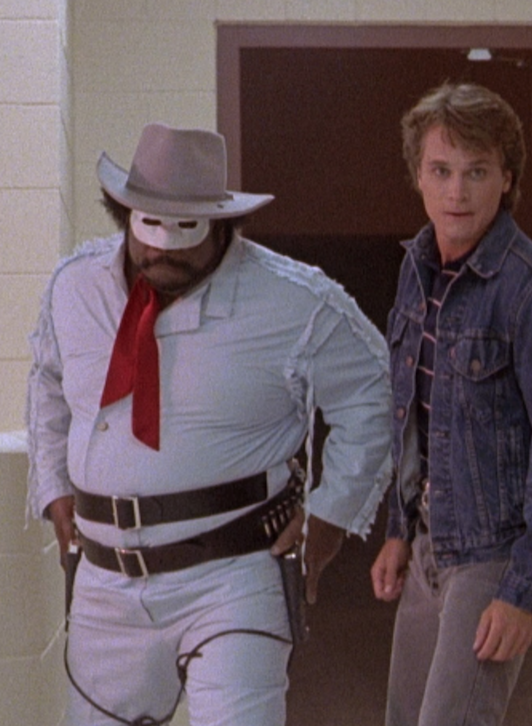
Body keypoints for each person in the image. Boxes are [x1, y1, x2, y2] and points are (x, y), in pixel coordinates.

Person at [26, 123, 393, 725]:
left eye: (185, 229)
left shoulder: (294, 300)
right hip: (105, 583)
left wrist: (331, 515)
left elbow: (371, 392)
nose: (163, 249)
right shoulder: (75, 289)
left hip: (234, 574)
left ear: (222, 225)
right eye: (149, 226)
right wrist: (53, 485)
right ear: (124, 215)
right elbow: (47, 380)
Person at [368, 82, 532, 726]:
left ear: (507, 179)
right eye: (441, 171)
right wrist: (398, 529)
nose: (457, 192)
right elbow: (412, 413)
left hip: (492, 553)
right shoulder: (417, 267)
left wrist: (526, 592)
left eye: (477, 172)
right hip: (428, 543)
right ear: (418, 176)